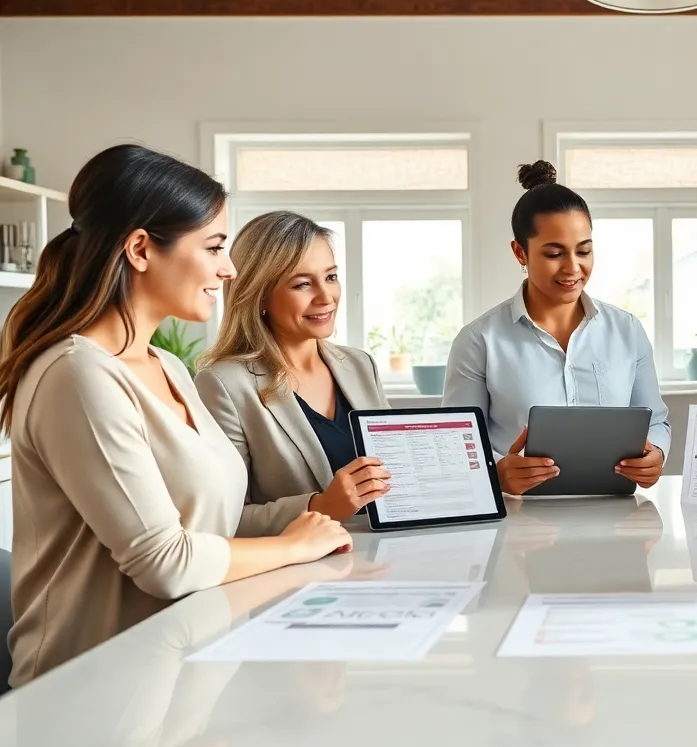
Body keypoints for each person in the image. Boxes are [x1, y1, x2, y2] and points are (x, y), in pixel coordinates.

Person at [0, 145, 351, 688]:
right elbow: (163, 562)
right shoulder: (78, 374)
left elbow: (213, 522)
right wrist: (295, 544)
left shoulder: (167, 365)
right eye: (214, 246)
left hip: (184, 668)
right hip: (92, 690)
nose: (229, 269)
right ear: (141, 249)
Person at [441, 160, 671, 496]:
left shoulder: (626, 330)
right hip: (519, 525)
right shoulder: (479, 341)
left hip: (617, 521)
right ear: (520, 252)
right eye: (553, 253)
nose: (572, 268)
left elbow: (656, 421)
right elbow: (456, 440)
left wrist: (657, 455)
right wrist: (496, 471)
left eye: (584, 251)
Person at [196, 211, 392, 521]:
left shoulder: (360, 364)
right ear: (259, 295)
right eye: (302, 284)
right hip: (302, 566)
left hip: (386, 558)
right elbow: (221, 519)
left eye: (331, 277)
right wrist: (320, 507)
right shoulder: (223, 384)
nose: (326, 297)